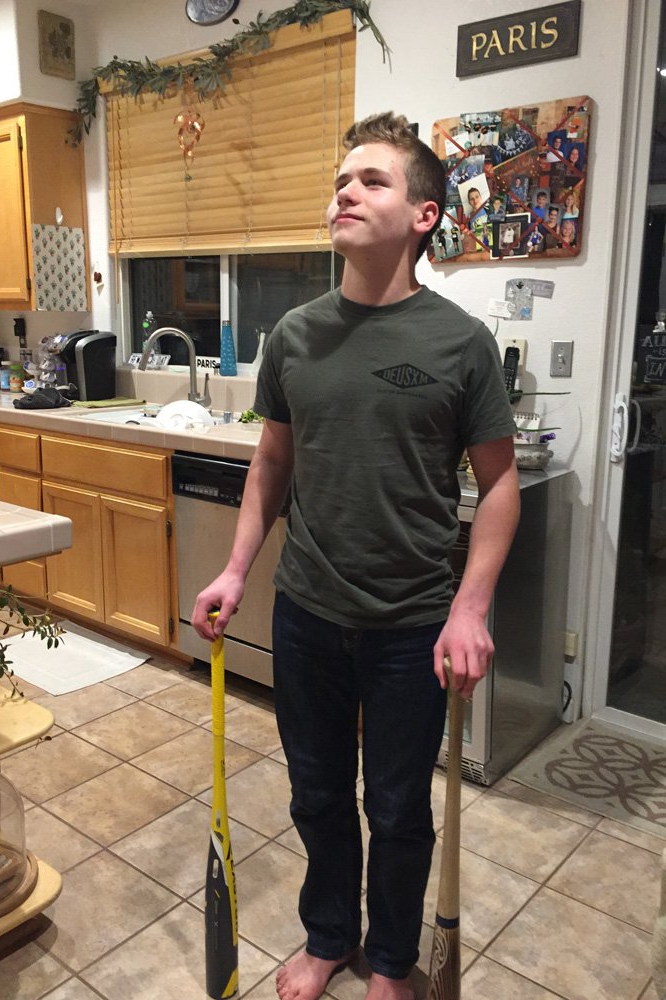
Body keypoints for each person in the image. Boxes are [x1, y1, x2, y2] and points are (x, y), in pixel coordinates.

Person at [191, 111, 520, 1000]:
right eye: (341, 179)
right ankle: (329, 937)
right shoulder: (295, 335)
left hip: (412, 624)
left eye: (373, 180)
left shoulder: (461, 342)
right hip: (306, 612)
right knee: (317, 794)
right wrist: (236, 569)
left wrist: (469, 608)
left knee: (400, 809)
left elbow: (499, 485)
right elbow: (272, 463)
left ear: (422, 215)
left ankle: (393, 961)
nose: (346, 191)